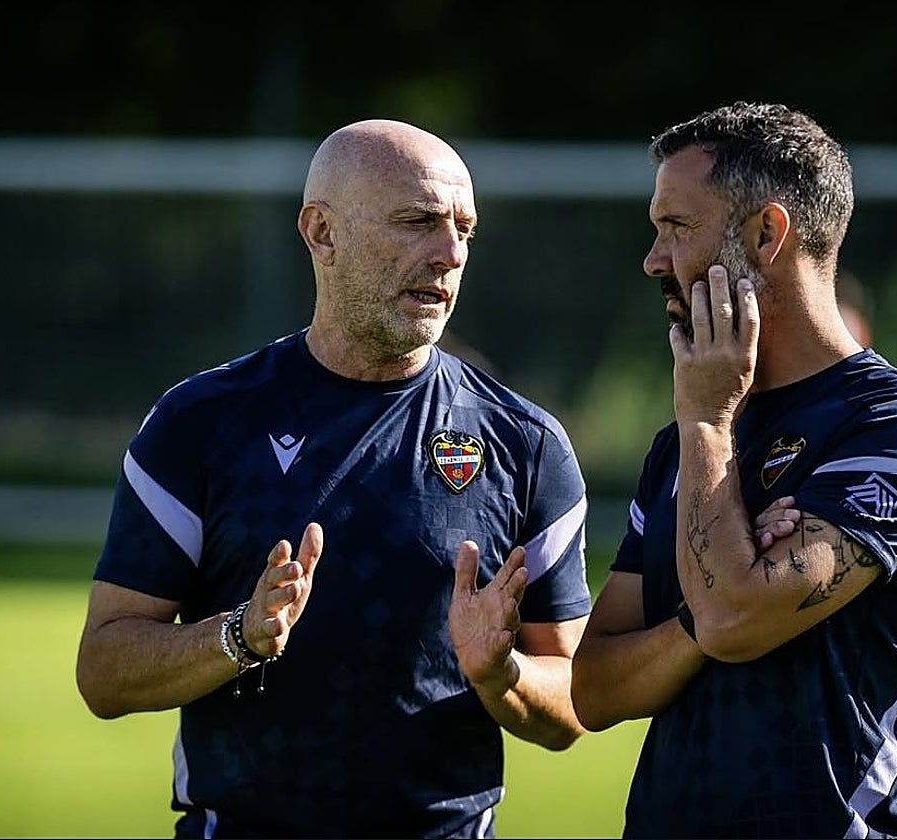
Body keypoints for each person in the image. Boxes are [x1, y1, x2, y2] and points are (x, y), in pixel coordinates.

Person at [75, 118, 593, 839]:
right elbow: (104, 671)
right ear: (322, 232)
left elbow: (572, 704)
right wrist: (237, 637)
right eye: (418, 221)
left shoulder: (525, 443)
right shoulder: (200, 423)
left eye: (464, 230)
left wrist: (499, 674)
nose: (450, 253)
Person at [570, 101, 897, 838]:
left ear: (766, 234)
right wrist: (710, 602)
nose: (654, 259)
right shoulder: (682, 442)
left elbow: (732, 620)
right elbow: (593, 689)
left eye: (676, 227)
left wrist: (708, 424)